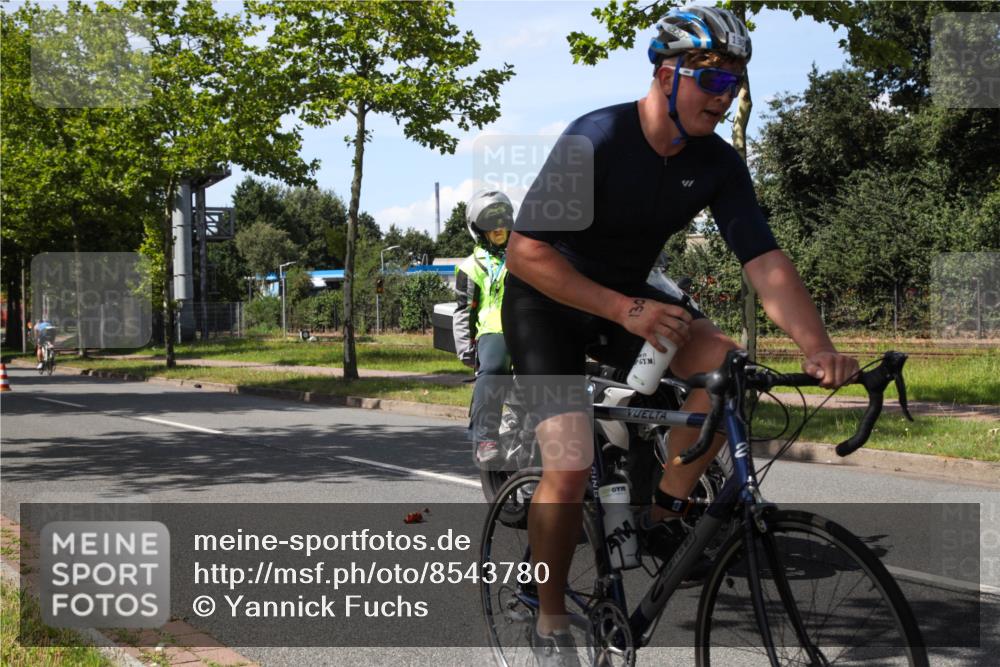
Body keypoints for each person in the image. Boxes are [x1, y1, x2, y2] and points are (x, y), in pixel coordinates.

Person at [501, 7, 860, 664]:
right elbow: (524, 253)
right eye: (712, 81)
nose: (725, 99)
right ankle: (547, 612)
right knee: (571, 462)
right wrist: (624, 308)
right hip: (547, 301)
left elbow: (765, 261)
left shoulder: (715, 163)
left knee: (726, 365)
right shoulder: (599, 138)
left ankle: (665, 513)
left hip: (629, 303)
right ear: (667, 73)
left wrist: (817, 345)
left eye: (735, 85)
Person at [452, 189, 515, 464]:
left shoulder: (526, 257)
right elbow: (464, 310)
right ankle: (485, 437)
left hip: (529, 327)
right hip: (494, 330)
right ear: (479, 231)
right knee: (494, 366)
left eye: (502, 221)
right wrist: (465, 348)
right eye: (491, 224)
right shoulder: (471, 266)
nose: (498, 229)